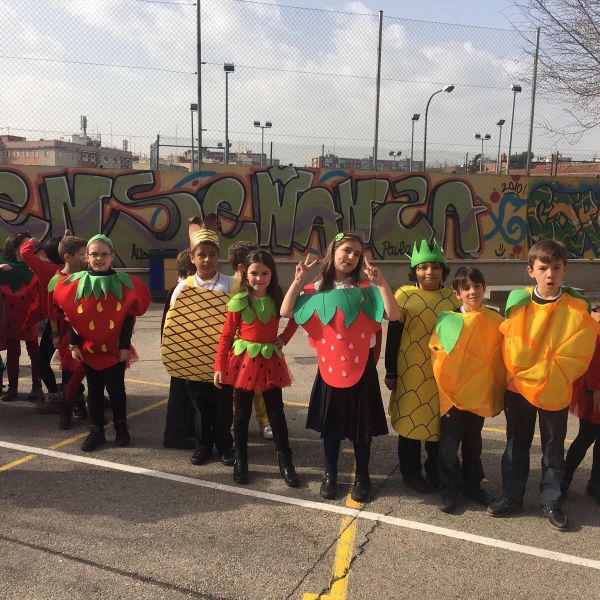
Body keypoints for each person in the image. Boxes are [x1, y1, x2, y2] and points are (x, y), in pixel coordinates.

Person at [280, 232, 400, 502]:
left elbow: (393, 314)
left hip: (362, 368)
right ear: (333, 252)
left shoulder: (366, 288)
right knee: (332, 427)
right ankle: (330, 474)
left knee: (362, 428)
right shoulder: (317, 288)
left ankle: (363, 477)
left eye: (357, 253)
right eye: (347, 250)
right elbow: (285, 311)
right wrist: (299, 280)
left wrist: (381, 283)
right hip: (330, 368)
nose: (351, 257)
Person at [488, 239, 598, 530]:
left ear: (565, 270)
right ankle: (512, 495)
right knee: (516, 444)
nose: (550, 274)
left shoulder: (576, 306)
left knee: (553, 448)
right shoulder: (518, 303)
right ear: (531, 271)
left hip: (555, 388)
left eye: (556, 268)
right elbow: (509, 344)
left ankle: (552, 501)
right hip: (519, 388)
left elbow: (581, 348)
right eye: (543, 268)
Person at [52, 234, 150, 451]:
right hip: (89, 349)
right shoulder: (77, 283)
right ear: (86, 257)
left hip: (115, 349)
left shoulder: (123, 283)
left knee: (117, 391)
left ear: (112, 256)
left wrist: (124, 345)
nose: (99, 258)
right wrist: (74, 344)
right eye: (94, 254)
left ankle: (121, 428)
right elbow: (74, 317)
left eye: (104, 254)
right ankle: (97, 431)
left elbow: (127, 318)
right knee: (94, 392)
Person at [215, 250, 299, 486]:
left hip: (270, 360)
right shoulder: (240, 300)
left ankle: (286, 462)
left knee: (276, 413)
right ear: (245, 273)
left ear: (272, 274)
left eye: (265, 273)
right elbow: (226, 335)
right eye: (254, 273)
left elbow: (296, 317)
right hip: (244, 361)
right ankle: (241, 460)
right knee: (242, 414)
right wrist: (219, 365)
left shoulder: (278, 298)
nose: (259, 278)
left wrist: (284, 338)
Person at [385, 239, 461, 494]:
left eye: (435, 267)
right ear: (414, 271)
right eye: (423, 267)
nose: (429, 272)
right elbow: (393, 335)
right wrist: (391, 371)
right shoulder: (404, 295)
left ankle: (435, 469)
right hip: (410, 371)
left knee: (438, 423)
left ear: (443, 270)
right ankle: (410, 471)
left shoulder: (451, 298)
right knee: (411, 422)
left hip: (441, 373)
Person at [429, 266, 505, 513]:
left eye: (477, 286)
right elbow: (439, 356)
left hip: (478, 395)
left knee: (473, 444)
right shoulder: (448, 321)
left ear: (484, 288)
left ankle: (472, 485)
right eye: (466, 288)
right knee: (449, 447)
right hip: (452, 396)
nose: (472, 292)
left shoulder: (495, 320)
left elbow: (503, 353)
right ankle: (449, 489)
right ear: (457, 294)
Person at [162, 219, 235, 466]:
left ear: (218, 257)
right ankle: (203, 446)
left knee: (223, 406)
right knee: (200, 407)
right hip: (192, 359)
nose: (207, 260)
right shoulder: (183, 287)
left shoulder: (231, 285)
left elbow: (240, 322)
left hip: (223, 360)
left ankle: (225, 446)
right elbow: (174, 322)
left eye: (212, 255)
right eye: (202, 255)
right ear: (192, 258)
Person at [229, 240, 276, 441]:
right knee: (239, 390)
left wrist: (282, 338)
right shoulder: (230, 287)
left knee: (261, 388)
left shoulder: (267, 291)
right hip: (240, 350)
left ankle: (264, 421)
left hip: (261, 349)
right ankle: (238, 421)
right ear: (243, 267)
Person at [46, 234, 89, 429]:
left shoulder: (85, 275)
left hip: (87, 332)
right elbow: (52, 311)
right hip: (68, 334)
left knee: (90, 372)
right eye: (82, 254)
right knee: (70, 374)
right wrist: (55, 334)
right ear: (67, 257)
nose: (85, 257)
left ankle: (86, 404)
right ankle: (69, 407)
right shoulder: (57, 280)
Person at [19, 235, 64, 409]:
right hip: (73, 322)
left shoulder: (48, 270)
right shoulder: (73, 269)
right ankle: (78, 396)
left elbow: (25, 252)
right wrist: (67, 241)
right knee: (73, 364)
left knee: (42, 362)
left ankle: (55, 395)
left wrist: (33, 241)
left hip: (55, 324)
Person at [0, 232, 45, 403]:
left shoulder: (34, 265)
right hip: (10, 317)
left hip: (30, 316)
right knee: (13, 353)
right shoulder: (4, 265)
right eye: (25, 244)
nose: (29, 247)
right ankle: (12, 389)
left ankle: (37, 387)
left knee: (35, 352)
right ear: (14, 248)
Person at [561, 319, 600, 505]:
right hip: (595, 390)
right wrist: (596, 388)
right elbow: (594, 357)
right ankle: (564, 479)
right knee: (586, 437)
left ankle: (595, 485)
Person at [161, 249, 196, 449]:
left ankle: (187, 430)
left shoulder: (180, 287)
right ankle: (174, 435)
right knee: (181, 395)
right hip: (182, 351)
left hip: (183, 350)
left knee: (187, 395)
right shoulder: (182, 289)